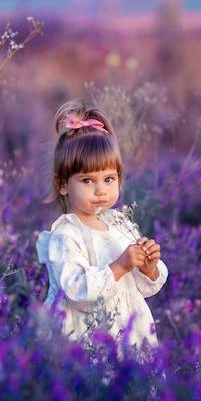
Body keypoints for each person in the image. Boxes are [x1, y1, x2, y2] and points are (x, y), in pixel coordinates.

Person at [36, 98, 168, 352]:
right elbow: (76, 289)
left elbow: (142, 287)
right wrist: (119, 265)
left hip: (128, 330)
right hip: (86, 336)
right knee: (95, 386)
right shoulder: (66, 234)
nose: (100, 190)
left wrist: (147, 268)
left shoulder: (120, 223)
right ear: (63, 183)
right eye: (87, 180)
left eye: (109, 179)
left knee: (130, 386)